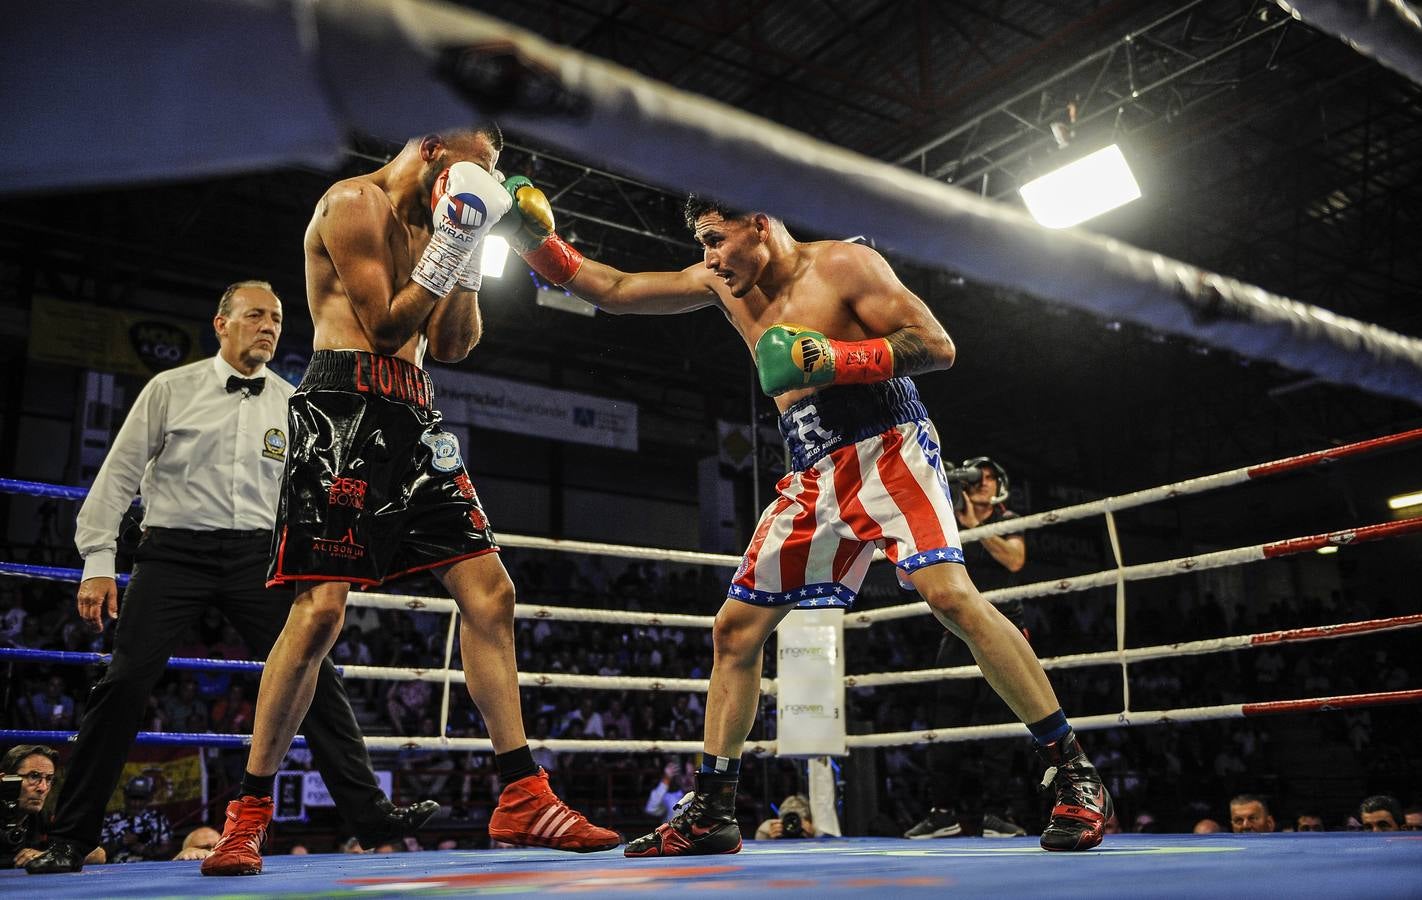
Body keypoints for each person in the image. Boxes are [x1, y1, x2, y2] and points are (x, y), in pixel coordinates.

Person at [499, 190, 1112, 856]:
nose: (709, 257)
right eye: (702, 243)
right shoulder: (720, 283)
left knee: (950, 598)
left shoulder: (844, 264)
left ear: (759, 223)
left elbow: (937, 345)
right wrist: (527, 237)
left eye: (715, 238)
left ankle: (1075, 773)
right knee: (735, 629)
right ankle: (712, 810)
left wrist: (834, 358)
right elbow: (614, 289)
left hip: (889, 443)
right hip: (813, 466)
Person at [200, 126, 617, 877]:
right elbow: (386, 322)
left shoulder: (441, 221)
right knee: (320, 614)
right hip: (340, 412)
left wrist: (468, 241)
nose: (485, 179)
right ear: (431, 149)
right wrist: (456, 234)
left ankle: (523, 794)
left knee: (491, 594)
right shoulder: (351, 203)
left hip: (415, 414)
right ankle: (248, 814)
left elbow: (452, 345)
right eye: (478, 167)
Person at [24, 281, 438, 875]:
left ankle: (369, 815)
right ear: (221, 324)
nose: (268, 327)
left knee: (312, 671)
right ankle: (70, 835)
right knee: (124, 683)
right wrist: (97, 562)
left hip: (258, 556)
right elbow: (117, 477)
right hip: (172, 553)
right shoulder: (171, 388)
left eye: (276, 319)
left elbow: (317, 495)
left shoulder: (294, 403)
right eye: (255, 316)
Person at [904, 457, 1029, 839]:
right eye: (977, 477)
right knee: (947, 721)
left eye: (989, 477)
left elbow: (1015, 560)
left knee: (999, 723)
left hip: (1004, 627)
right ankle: (942, 812)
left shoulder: (1009, 518)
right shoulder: (947, 521)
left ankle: (996, 814)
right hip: (956, 632)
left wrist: (976, 527)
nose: (983, 483)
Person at [2, 745, 105, 869]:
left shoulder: (44, 818)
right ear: (5, 779)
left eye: (49, 779)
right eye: (33, 776)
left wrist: (49, 856)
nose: (43, 788)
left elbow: (98, 854)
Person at [99, 775, 175, 863]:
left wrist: (145, 849)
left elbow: (168, 849)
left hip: (149, 867)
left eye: (141, 798)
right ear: (125, 796)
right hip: (114, 867)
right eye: (133, 798)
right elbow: (97, 852)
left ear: (149, 798)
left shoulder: (158, 819)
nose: (136, 803)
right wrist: (122, 841)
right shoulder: (110, 820)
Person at [754, 794, 820, 840]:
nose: (792, 825)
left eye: (796, 821)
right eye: (789, 821)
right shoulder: (769, 829)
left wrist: (813, 838)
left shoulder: (818, 828)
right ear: (781, 820)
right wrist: (768, 839)